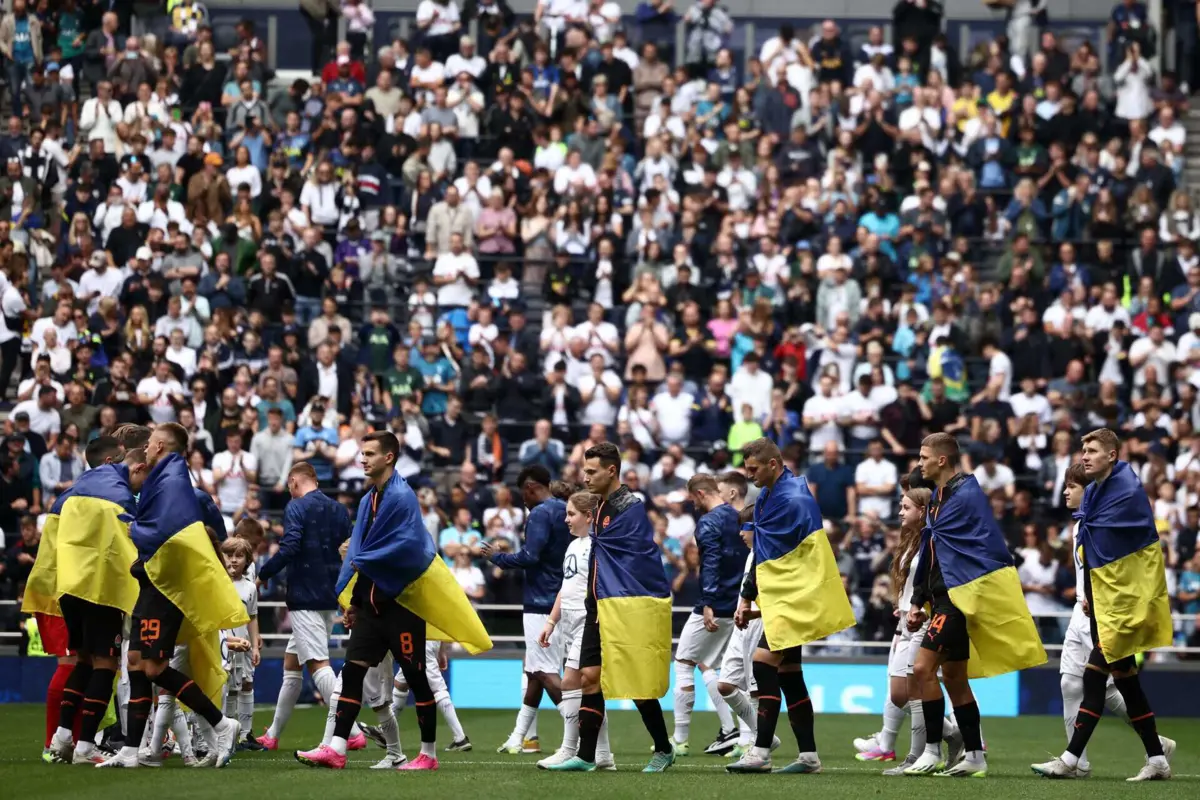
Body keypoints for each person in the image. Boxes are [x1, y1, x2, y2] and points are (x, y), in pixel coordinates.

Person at [294, 431, 491, 770]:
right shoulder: (368, 498)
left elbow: (400, 550)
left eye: (370, 453)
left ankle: (428, 754)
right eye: (362, 453)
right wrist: (354, 602)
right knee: (352, 674)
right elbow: (362, 556)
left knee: (416, 679)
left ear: (389, 457)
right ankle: (337, 748)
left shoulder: (402, 497)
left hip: (402, 607)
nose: (362, 459)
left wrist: (363, 573)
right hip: (371, 608)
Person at [99, 422, 247, 769]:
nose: (146, 449)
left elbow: (166, 529)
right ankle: (131, 750)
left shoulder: (173, 480)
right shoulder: (167, 478)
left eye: (150, 444)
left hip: (164, 588)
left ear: (161, 445)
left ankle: (223, 725)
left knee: (153, 667)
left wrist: (135, 527)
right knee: (135, 663)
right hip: (152, 582)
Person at [1032, 428, 1175, 780]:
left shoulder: (1125, 492)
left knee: (1094, 681)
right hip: (1099, 609)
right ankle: (1157, 758)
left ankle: (1070, 760)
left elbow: (1134, 553)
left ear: (1112, 455)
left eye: (1092, 450)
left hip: (1122, 608)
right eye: (1082, 449)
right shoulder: (1093, 501)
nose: (1084, 455)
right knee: (1127, 686)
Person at [903, 432, 1046, 777]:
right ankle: (975, 757)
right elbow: (933, 550)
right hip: (941, 598)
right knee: (953, 678)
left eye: (923, 457)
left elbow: (982, 547)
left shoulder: (966, 494)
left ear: (941, 460)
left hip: (958, 598)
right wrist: (919, 599)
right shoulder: (938, 497)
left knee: (922, 670)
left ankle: (932, 751)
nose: (918, 462)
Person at [726, 438, 855, 774]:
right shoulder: (771, 495)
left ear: (773, 464)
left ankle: (761, 751)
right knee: (789, 675)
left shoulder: (791, 499)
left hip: (795, 596)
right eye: (747, 469)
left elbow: (781, 557)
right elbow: (766, 555)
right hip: (785, 596)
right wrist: (748, 596)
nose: (749, 475)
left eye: (754, 469)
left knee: (763, 665)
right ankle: (809, 756)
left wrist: (751, 595)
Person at [546, 441, 675, 773]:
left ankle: (663, 748)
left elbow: (637, 559)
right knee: (590, 677)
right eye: (584, 470)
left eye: (591, 471)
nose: (585, 477)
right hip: (598, 607)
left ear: (611, 470)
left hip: (623, 606)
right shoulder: (601, 507)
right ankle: (586, 757)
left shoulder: (630, 508)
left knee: (635, 680)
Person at [31, 437, 142, 765]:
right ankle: (84, 746)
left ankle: (62, 737)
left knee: (81, 661)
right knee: (106, 664)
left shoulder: (71, 491)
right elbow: (129, 543)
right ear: (119, 463)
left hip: (67, 586)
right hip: (100, 588)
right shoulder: (119, 495)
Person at [852, 478, 964, 774]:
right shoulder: (910, 540)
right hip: (905, 619)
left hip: (923, 620)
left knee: (912, 690)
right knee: (902, 692)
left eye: (905, 507)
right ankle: (952, 734)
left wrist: (920, 608)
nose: (900, 512)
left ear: (923, 509)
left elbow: (931, 581)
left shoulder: (933, 539)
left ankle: (917, 756)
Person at [257, 462, 353, 751]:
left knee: (318, 664)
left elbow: (289, 547)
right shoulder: (339, 509)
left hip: (304, 596)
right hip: (329, 594)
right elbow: (349, 551)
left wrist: (264, 573)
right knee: (292, 664)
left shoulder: (296, 507)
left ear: (294, 481)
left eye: (289, 486)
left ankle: (353, 730)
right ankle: (273, 734)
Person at [482, 464, 572, 756]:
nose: (523, 500)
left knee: (545, 672)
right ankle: (520, 737)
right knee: (533, 671)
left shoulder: (540, 513)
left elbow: (530, 556)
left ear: (532, 487)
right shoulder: (566, 510)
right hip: (562, 597)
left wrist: (499, 558)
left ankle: (582, 730)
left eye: (524, 493)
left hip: (540, 602)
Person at [534, 491, 615, 770]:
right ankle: (603, 755)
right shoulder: (573, 545)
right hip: (568, 622)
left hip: (587, 620)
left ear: (589, 516)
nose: (566, 519)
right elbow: (566, 588)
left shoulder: (598, 545)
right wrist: (551, 622)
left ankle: (569, 749)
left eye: (571, 514)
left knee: (570, 682)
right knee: (591, 690)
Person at [671, 473, 750, 755]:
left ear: (701, 494)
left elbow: (711, 563)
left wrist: (707, 602)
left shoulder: (708, 522)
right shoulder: (740, 517)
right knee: (716, 668)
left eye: (693, 498)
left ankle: (679, 739)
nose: (693, 503)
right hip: (739, 604)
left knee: (683, 662)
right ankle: (739, 734)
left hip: (715, 604)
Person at [219, 537, 261, 749]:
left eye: (239, 556)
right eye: (229, 555)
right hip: (222, 644)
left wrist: (254, 646)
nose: (233, 560)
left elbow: (252, 617)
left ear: (247, 560)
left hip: (243, 645)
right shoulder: (215, 582)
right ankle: (225, 732)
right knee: (223, 687)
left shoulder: (249, 588)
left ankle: (244, 734)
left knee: (244, 684)